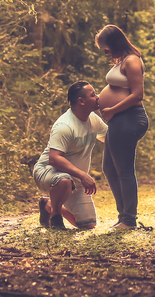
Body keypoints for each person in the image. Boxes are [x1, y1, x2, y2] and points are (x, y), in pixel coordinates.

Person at [32, 81, 108, 230]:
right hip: (47, 171)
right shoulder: (65, 126)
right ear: (81, 101)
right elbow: (54, 159)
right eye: (93, 95)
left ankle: (48, 204)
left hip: (76, 179)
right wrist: (83, 175)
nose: (98, 97)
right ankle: (55, 216)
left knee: (88, 225)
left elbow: (110, 139)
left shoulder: (93, 119)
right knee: (64, 180)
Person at [95, 24, 149, 231]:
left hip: (129, 117)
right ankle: (123, 217)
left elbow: (137, 94)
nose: (106, 53)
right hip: (119, 119)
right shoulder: (122, 61)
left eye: (106, 48)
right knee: (109, 168)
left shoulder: (132, 61)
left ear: (115, 42)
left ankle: (129, 220)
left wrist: (112, 110)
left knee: (124, 170)